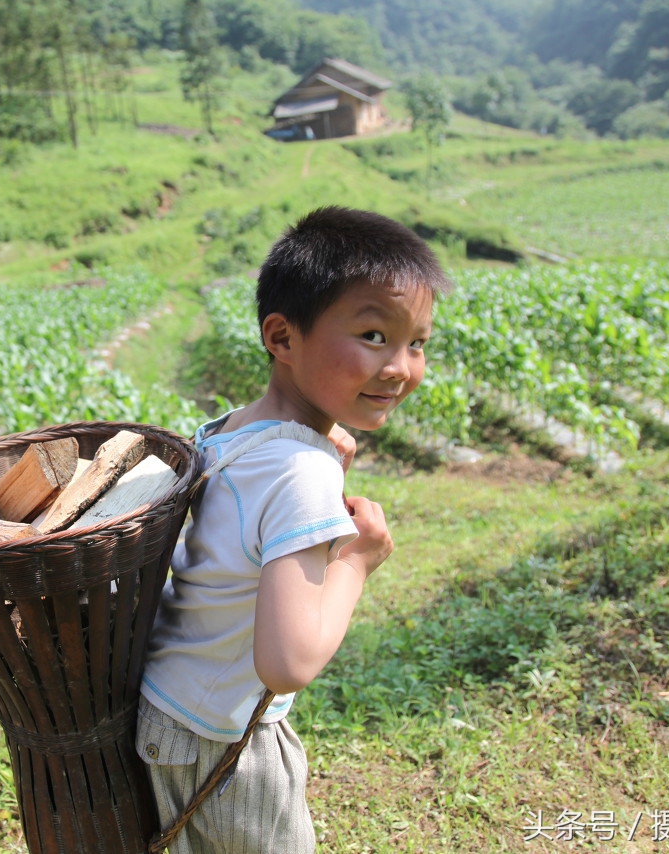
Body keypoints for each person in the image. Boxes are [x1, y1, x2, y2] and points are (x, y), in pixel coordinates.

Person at [137, 206, 453, 853]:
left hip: (170, 705)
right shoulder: (300, 474)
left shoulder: (234, 429)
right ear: (282, 338)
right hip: (225, 740)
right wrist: (357, 563)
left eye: (416, 342)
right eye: (373, 335)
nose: (400, 366)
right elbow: (287, 662)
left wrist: (319, 456)